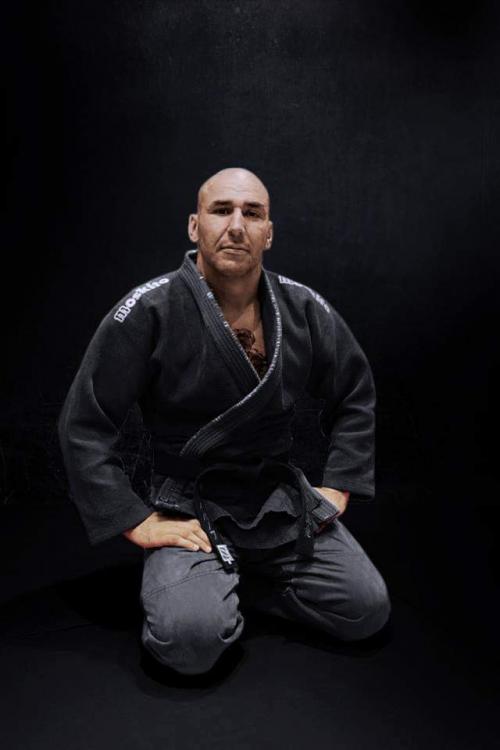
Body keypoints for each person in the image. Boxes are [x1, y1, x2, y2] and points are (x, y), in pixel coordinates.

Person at [58, 167, 391, 675]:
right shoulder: (149, 309)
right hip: (189, 505)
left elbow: (356, 393)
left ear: (268, 233)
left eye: (252, 213)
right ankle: (207, 587)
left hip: (277, 499)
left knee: (365, 610)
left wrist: (340, 482)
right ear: (195, 226)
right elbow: (84, 424)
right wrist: (134, 520)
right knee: (188, 644)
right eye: (221, 210)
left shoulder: (303, 307)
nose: (237, 225)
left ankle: (235, 584)